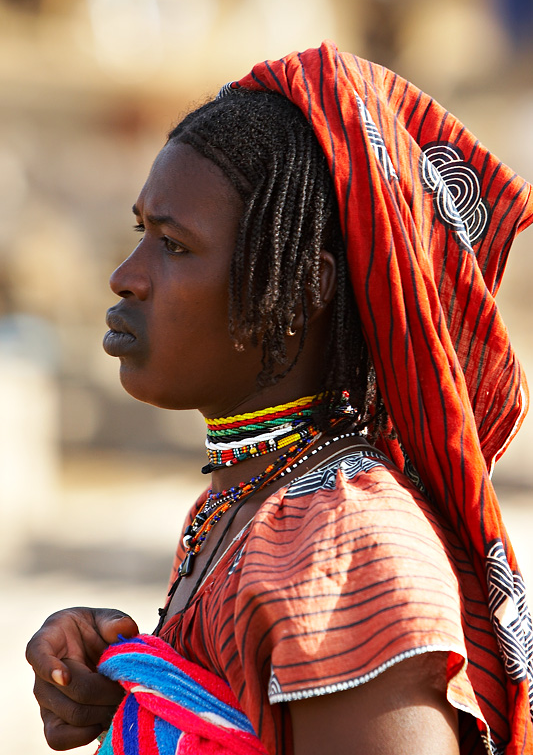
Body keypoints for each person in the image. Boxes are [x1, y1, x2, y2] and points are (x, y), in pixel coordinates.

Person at [26, 42, 533, 755]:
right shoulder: (241, 508)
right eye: (142, 233)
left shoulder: (351, 551)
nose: (124, 277)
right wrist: (132, 686)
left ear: (306, 288)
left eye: (174, 246)